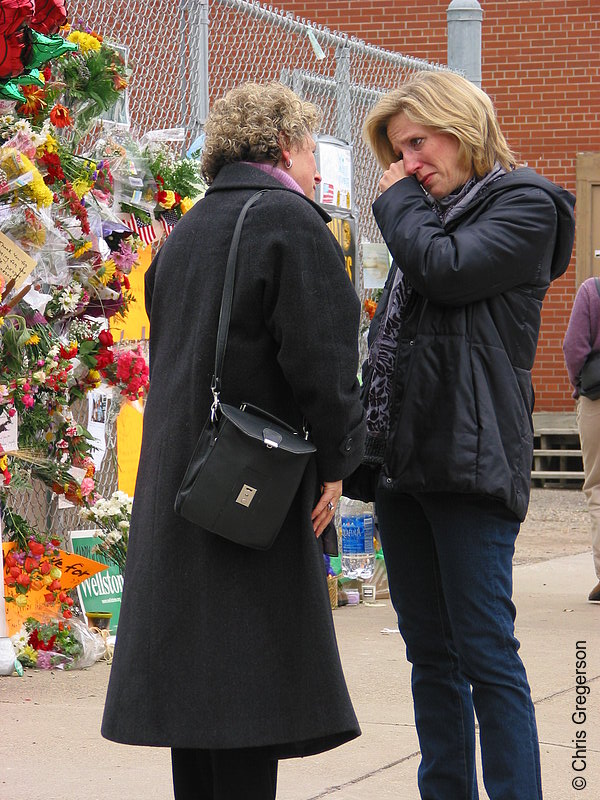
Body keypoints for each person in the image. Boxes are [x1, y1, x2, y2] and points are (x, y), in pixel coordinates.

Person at [102, 81, 366, 800]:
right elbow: (324, 364)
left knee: (197, 696)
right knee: (250, 688)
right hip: (255, 485)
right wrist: (342, 464)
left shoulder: (188, 229)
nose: (317, 169)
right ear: (285, 145)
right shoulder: (290, 221)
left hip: (183, 483)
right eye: (313, 151)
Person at [358, 71, 575, 800]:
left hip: (472, 458)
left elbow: (446, 273)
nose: (410, 164)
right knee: (430, 656)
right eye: (397, 151)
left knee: (486, 653)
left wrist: (396, 201)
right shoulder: (428, 216)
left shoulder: (525, 202)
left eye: (418, 143)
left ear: (465, 128)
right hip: (405, 463)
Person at [563, 277, 600, 602]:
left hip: (597, 400)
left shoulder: (592, 291)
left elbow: (574, 347)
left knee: (599, 486)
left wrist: (580, 386)